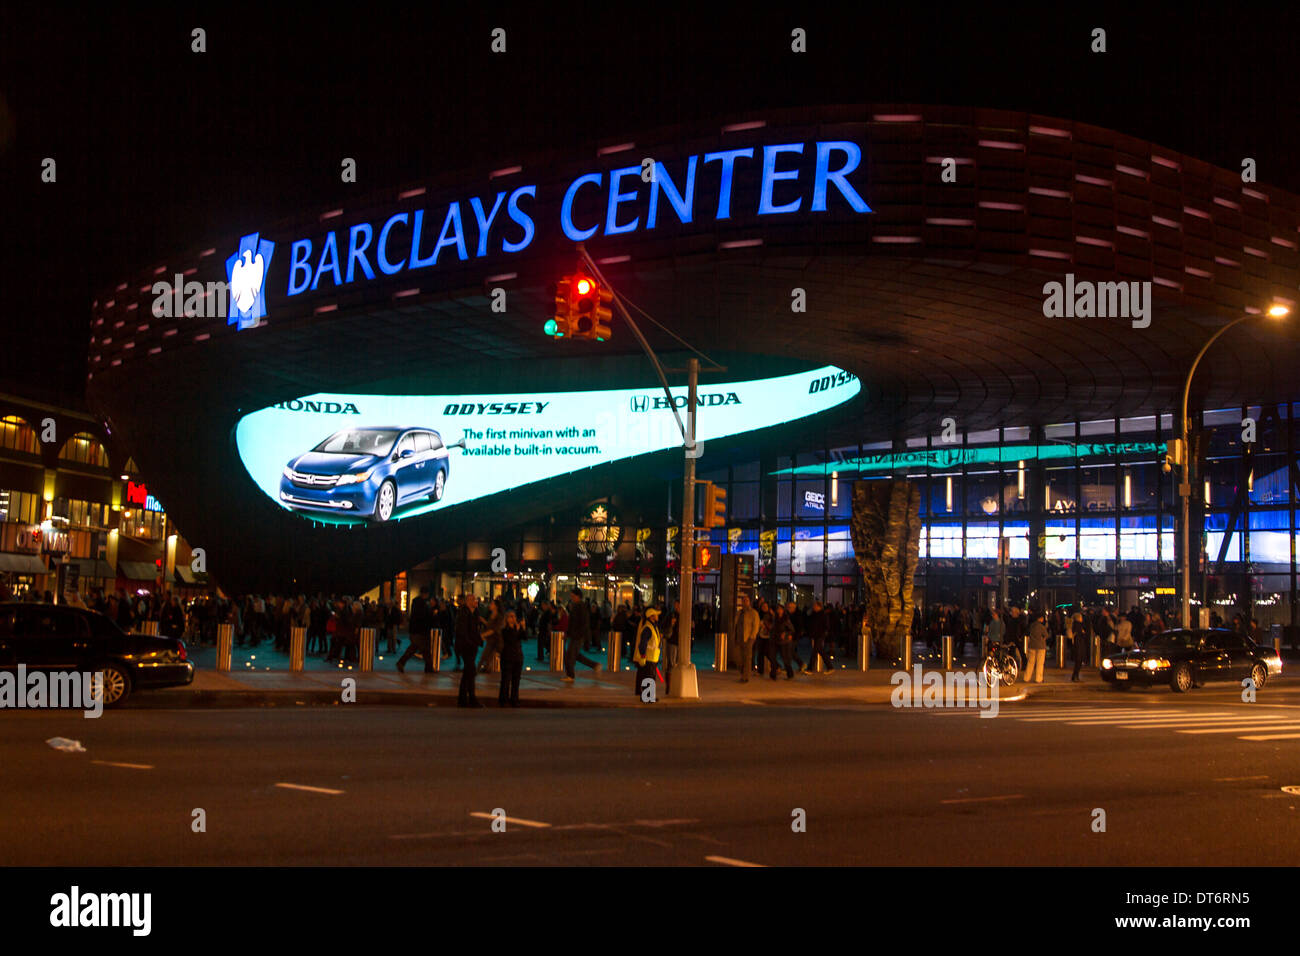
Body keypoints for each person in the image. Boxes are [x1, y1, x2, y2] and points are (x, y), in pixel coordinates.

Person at [563, 588, 600, 680]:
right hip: (576, 634)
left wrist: (580, 634)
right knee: (574, 654)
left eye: (573, 596)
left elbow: (583, 622)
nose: (571, 598)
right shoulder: (576, 605)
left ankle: (570, 675)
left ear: (578, 596)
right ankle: (594, 665)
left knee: (570, 655)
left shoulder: (580, 606)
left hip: (578, 635)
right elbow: (572, 622)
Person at [397, 585, 435, 673]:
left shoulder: (417, 602)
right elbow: (423, 616)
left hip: (418, 629)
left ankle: (428, 667)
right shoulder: (422, 603)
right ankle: (428, 667)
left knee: (418, 647)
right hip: (420, 630)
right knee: (421, 648)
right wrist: (431, 611)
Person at [456, 593, 484, 707]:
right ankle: (470, 698)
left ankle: (464, 699)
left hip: (472, 646)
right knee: (470, 671)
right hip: (466, 646)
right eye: (473, 600)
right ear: (468, 602)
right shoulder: (464, 613)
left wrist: (478, 641)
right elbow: (463, 631)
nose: (475, 601)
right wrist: (471, 642)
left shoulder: (475, 613)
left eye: (475, 599)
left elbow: (475, 630)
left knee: (468, 673)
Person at [632, 607, 661, 701]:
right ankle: (646, 697)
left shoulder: (653, 626)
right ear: (651, 616)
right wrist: (643, 655)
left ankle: (649, 696)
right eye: (656, 614)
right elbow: (643, 643)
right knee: (648, 677)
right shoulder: (648, 628)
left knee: (650, 677)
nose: (657, 616)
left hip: (652, 657)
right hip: (648, 657)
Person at [497, 610, 525, 707]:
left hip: (518, 657)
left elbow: (524, 637)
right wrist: (517, 630)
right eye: (510, 616)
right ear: (507, 618)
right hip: (508, 657)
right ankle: (503, 699)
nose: (513, 618)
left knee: (516, 680)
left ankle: (514, 699)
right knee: (506, 680)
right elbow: (511, 640)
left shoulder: (517, 628)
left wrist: (523, 627)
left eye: (514, 616)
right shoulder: (505, 630)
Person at [803, 599, 833, 674]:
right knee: (820, 651)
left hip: (820, 635)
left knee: (814, 652)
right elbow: (808, 620)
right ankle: (830, 667)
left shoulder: (823, 615)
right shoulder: (814, 614)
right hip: (815, 635)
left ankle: (810, 668)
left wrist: (824, 633)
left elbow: (826, 626)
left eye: (815, 606)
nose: (814, 607)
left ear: (819, 607)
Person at [734, 594, 760, 683]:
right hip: (739, 638)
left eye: (746, 600)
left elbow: (756, 626)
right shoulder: (739, 612)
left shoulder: (753, 613)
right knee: (739, 658)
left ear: (749, 602)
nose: (745, 602)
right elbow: (736, 625)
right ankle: (743, 672)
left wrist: (752, 637)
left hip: (748, 638)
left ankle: (745, 676)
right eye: (743, 600)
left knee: (747, 658)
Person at [771, 604, 795, 679]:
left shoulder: (786, 619)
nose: (779, 611)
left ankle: (790, 673)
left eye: (780, 609)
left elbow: (792, 630)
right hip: (775, 639)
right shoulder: (775, 618)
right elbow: (773, 628)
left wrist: (786, 633)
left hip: (784, 641)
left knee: (785, 658)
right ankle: (773, 674)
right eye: (778, 609)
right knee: (772, 656)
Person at [1025, 612, 1048, 683]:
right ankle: (1038, 678)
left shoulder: (1032, 625)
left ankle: (1026, 677)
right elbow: (1046, 635)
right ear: (1040, 618)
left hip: (1031, 645)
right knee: (1040, 663)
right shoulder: (1041, 627)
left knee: (1030, 662)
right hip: (1040, 646)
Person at [1070, 610, 1090, 682]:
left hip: (1077, 644)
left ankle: (1075, 676)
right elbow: (1081, 635)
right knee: (1078, 662)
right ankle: (1075, 676)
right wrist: (1084, 634)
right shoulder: (1078, 625)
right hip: (1079, 645)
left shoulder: (1074, 625)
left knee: (1078, 662)